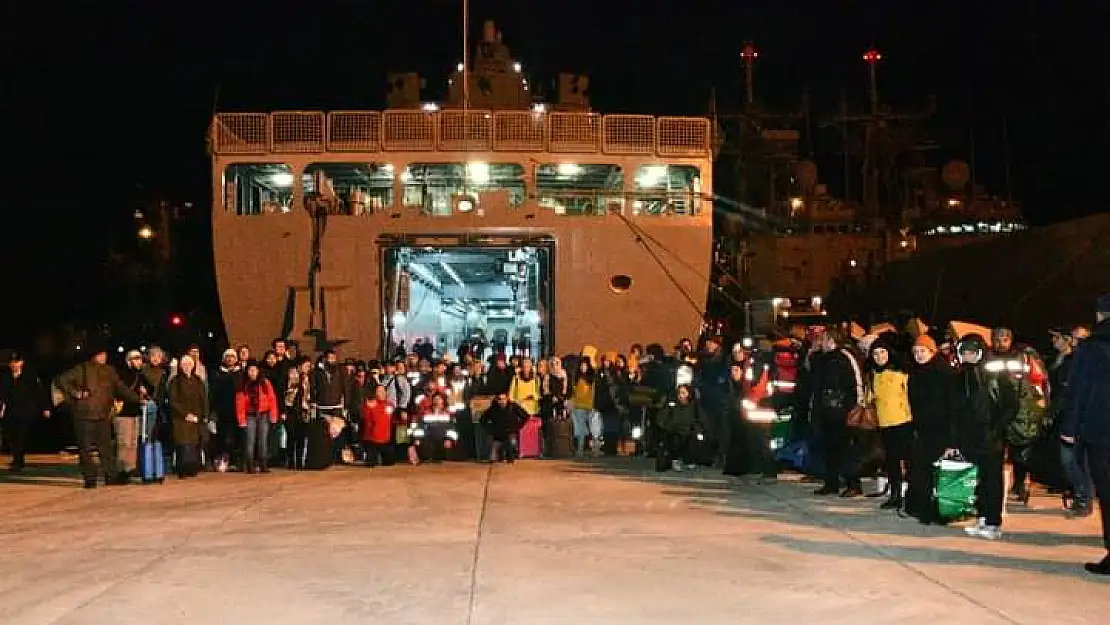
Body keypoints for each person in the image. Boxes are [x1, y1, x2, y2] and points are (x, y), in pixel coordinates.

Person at [1060, 294, 1110, 575]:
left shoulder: (1091, 348)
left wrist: (1069, 429)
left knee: (1107, 492)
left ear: (1100, 315)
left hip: (1100, 430)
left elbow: (1076, 391)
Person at [955, 334, 1017, 541]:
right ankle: (982, 517)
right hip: (972, 435)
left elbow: (1011, 404)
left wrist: (996, 428)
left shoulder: (995, 371)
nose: (968, 356)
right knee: (981, 479)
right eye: (965, 352)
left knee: (992, 480)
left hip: (991, 435)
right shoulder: (963, 373)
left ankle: (993, 522)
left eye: (972, 352)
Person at [56, 345, 142, 488]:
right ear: (94, 355)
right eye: (101, 354)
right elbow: (62, 380)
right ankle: (90, 478)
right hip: (84, 416)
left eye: (105, 354)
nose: (104, 357)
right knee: (85, 449)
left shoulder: (109, 371)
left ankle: (111, 476)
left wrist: (137, 399)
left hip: (102, 415)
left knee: (105, 448)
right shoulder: (81, 369)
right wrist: (76, 392)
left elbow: (121, 388)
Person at [905, 335, 956, 523]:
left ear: (932, 352)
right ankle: (921, 507)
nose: (918, 355)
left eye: (922, 351)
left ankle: (939, 510)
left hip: (941, 429)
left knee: (938, 472)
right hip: (923, 429)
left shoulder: (945, 373)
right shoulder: (916, 373)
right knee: (921, 469)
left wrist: (952, 439)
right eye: (916, 352)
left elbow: (953, 406)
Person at [0, 352, 50, 473]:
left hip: (26, 411)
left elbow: (40, 393)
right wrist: (2, 408)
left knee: (21, 437)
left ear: (22, 363)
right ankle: (17, 458)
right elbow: (3, 395)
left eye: (16, 362)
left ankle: (18, 461)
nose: (14, 364)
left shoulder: (30, 377)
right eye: (12, 362)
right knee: (11, 436)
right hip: (11, 412)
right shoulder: (5, 377)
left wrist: (46, 408)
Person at [235, 360, 278, 474]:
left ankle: (263, 464)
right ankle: (250, 465)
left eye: (255, 370)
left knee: (263, 441)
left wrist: (273, 415)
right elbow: (239, 403)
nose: (253, 372)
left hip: (263, 414)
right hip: (249, 415)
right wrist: (242, 421)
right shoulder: (243, 384)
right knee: (250, 441)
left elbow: (272, 399)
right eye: (250, 370)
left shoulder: (265, 383)